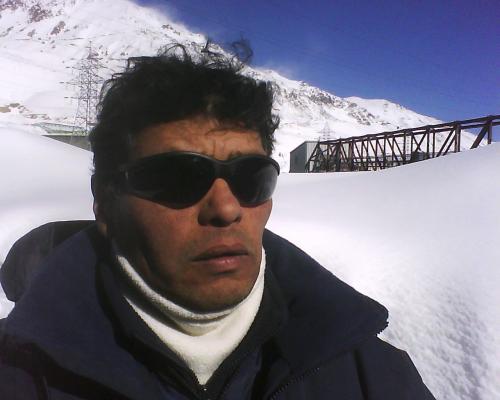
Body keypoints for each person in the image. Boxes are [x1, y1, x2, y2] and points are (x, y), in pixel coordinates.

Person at [0, 42, 435, 399]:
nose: (226, 209)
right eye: (178, 178)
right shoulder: (20, 373)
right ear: (105, 203)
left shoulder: (367, 372)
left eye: (251, 178)